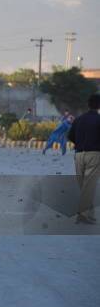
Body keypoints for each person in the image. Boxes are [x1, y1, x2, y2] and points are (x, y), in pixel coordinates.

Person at [67, 94, 100, 224]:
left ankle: (86, 214)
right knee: (89, 186)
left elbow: (70, 136)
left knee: (84, 186)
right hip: (94, 155)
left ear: (88, 105)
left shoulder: (79, 119)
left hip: (79, 155)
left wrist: (79, 143)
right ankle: (83, 214)